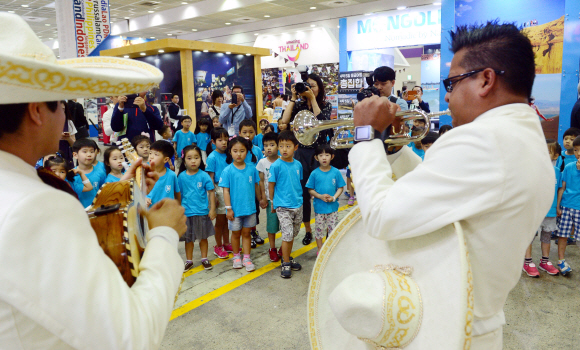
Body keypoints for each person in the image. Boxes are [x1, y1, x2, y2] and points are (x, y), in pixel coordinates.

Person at [348, 22, 553, 348]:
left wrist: (365, 135)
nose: (446, 94)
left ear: (486, 80)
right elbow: (441, 184)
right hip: (470, 322)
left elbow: (381, 216)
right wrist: (396, 148)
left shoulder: (486, 141)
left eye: (453, 82)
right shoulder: (522, 137)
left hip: (445, 329)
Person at [0, 13, 186, 348]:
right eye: (62, 105)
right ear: (36, 111)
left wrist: (120, 191)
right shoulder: (34, 207)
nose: (65, 118)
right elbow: (131, 336)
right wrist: (164, 233)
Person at [280, 73, 334, 245]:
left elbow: (322, 123)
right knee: (304, 193)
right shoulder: (299, 105)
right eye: (307, 86)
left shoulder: (326, 105)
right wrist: (293, 98)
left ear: (320, 88)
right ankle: (309, 230)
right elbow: (285, 120)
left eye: (313, 86)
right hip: (301, 152)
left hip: (319, 153)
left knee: (322, 191)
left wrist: (313, 99)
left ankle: (325, 229)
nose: (309, 89)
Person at [219, 137, 264, 272]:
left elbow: (256, 186)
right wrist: (228, 209)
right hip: (235, 210)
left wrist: (260, 199)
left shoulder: (251, 169)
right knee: (236, 234)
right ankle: (236, 256)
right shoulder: (228, 171)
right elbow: (225, 191)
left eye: (242, 151)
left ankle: (247, 257)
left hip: (250, 209)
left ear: (247, 152)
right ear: (230, 152)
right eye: (235, 151)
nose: (239, 154)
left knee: (246, 233)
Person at [523, 140, 562, 277]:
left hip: (550, 211)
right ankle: (527, 262)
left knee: (546, 236)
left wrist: (557, 207)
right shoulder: (532, 170)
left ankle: (544, 261)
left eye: (547, 152)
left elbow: (559, 190)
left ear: (555, 156)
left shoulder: (557, 172)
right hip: (533, 210)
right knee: (530, 236)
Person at [268, 131, 304, 279]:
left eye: (288, 146)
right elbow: (271, 185)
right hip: (282, 206)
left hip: (297, 204)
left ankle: (286, 256)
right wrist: (272, 202)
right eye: (281, 146)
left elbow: (298, 182)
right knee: (287, 234)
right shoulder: (276, 165)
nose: (284, 149)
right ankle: (286, 263)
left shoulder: (298, 165)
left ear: (295, 147)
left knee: (293, 233)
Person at [178, 145, 216, 272]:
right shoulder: (181, 177)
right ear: (184, 161)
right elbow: (179, 195)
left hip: (202, 212)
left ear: (201, 159)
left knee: (203, 237)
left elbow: (211, 192)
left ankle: (204, 258)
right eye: (189, 158)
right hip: (187, 213)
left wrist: (212, 209)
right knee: (188, 239)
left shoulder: (204, 176)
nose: (193, 161)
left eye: (196, 157)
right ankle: (189, 261)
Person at [305, 144, 345, 256]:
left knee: (332, 230)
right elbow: (310, 189)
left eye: (327, 155)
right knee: (319, 230)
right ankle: (320, 249)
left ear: (332, 157)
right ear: (316, 157)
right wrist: (320, 196)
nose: (324, 158)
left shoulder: (336, 172)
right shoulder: (314, 173)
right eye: (321, 155)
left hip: (332, 208)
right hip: (319, 208)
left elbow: (340, 187)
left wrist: (333, 197)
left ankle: (331, 248)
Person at [555, 135, 580, 275]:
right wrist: (558, 206)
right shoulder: (569, 167)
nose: (578, 153)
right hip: (566, 206)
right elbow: (562, 188)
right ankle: (561, 261)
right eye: (576, 150)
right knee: (563, 235)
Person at [206, 128, 231, 259]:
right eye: (220, 140)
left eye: (226, 140)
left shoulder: (229, 154)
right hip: (219, 190)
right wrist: (213, 195)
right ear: (213, 142)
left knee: (226, 220)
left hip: (228, 189)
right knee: (220, 221)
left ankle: (227, 243)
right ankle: (218, 246)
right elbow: (210, 177)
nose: (224, 143)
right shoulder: (212, 157)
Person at [257, 132, 282, 262]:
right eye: (266, 145)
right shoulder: (262, 162)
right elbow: (261, 181)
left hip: (283, 200)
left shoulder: (283, 160)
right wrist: (262, 197)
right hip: (270, 199)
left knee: (285, 225)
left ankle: (284, 247)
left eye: (272, 145)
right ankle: (272, 248)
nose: (268, 148)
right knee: (272, 225)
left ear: (278, 146)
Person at [71, 138, 106, 208]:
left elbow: (103, 191)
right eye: (85, 152)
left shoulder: (100, 172)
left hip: (96, 209)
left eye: (92, 152)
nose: (89, 155)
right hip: (78, 210)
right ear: (75, 155)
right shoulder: (72, 174)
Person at [147, 141, 180, 207]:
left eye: (156, 154)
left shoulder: (172, 175)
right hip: (150, 214)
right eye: (150, 153)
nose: (151, 157)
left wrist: (178, 208)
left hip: (168, 214)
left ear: (166, 159)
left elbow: (177, 193)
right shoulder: (145, 173)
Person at [59, 100, 77, 164]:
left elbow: (74, 145)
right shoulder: (45, 123)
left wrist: (68, 138)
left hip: (66, 156)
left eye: (63, 109)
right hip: (51, 157)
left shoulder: (69, 123)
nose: (61, 111)